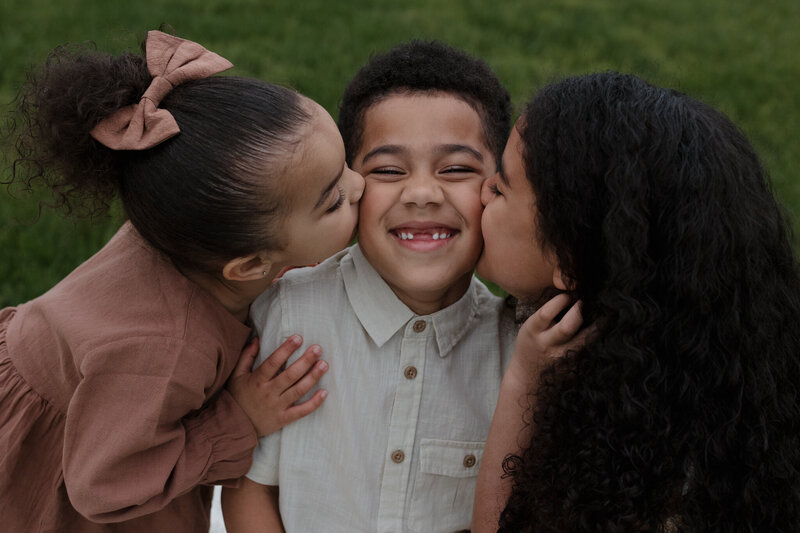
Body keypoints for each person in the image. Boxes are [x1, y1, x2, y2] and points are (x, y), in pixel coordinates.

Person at [0, 30, 365, 532]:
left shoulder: (187, 229)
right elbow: (102, 487)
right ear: (248, 266)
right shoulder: (166, 349)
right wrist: (240, 419)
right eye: (334, 200)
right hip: (77, 464)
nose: (361, 184)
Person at [472, 71, 800, 532]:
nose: (482, 189)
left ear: (568, 260)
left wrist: (522, 381)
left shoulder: (626, 455)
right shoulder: (724, 373)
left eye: (502, 188)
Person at [222, 40, 515, 532]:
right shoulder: (289, 315)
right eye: (388, 170)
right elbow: (248, 487)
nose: (422, 193)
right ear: (348, 187)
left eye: (457, 169)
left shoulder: (513, 350)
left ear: (497, 187)